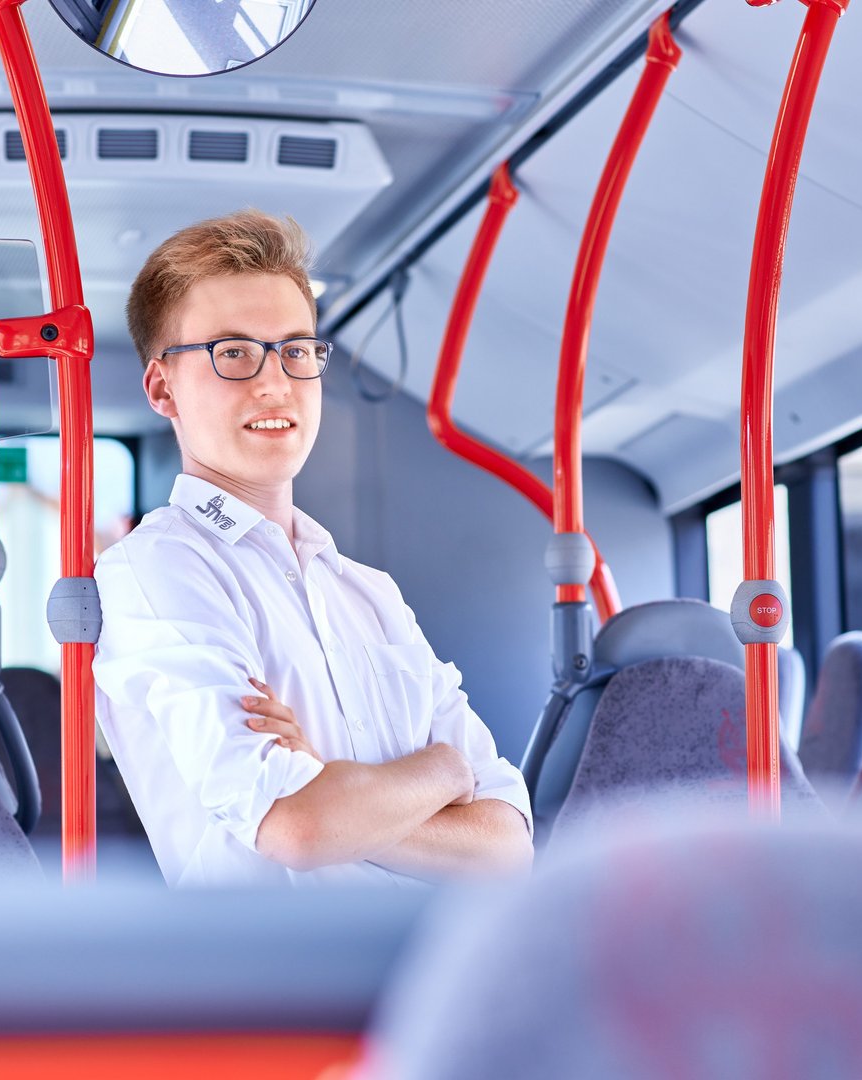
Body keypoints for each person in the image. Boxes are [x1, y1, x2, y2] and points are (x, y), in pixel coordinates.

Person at [93, 210, 534, 886]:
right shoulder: (155, 568)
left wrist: (337, 791)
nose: (275, 382)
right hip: (274, 986)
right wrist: (442, 771)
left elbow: (507, 846)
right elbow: (294, 825)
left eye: (296, 351)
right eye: (233, 352)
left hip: (425, 972)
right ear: (162, 388)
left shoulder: (369, 592)